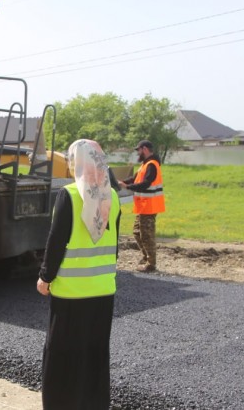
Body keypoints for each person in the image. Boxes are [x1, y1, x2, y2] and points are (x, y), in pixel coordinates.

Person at [36, 139, 120, 410]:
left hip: (71, 294)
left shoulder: (70, 195)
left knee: (62, 356)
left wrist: (45, 277)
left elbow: (56, 241)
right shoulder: (114, 197)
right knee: (95, 354)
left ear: (77, 163)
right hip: (103, 291)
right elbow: (115, 246)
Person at [118, 139, 165, 272]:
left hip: (149, 206)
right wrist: (121, 182)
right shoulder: (145, 165)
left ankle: (151, 263)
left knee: (147, 235)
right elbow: (135, 178)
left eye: (138, 150)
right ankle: (146, 257)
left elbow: (146, 184)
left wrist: (128, 186)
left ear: (144, 149)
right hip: (143, 206)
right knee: (137, 232)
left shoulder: (152, 165)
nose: (137, 152)